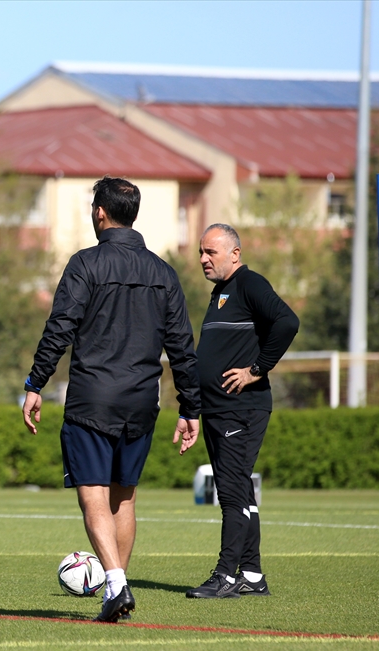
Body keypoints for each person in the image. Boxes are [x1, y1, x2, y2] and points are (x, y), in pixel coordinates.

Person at [22, 177, 200, 623]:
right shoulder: (164, 272)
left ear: (100, 212)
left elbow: (60, 326)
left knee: (93, 494)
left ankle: (115, 584)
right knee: (125, 498)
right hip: (143, 400)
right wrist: (190, 407)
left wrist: (35, 383)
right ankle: (116, 588)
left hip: (93, 398)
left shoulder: (86, 264)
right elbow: (182, 345)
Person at [186, 223, 298, 599]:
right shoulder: (220, 292)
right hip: (217, 410)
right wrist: (193, 410)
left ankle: (225, 575)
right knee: (239, 492)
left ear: (235, 253)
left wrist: (256, 369)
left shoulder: (250, 283)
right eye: (201, 252)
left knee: (232, 494)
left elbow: (287, 321)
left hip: (242, 409)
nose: (203, 259)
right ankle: (251, 574)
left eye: (210, 252)